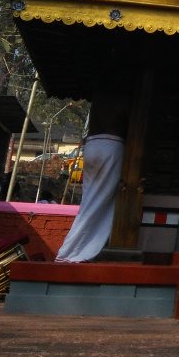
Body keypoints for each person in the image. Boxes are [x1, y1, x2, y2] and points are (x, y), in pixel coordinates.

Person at [54, 73, 130, 263]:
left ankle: (77, 250)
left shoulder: (99, 97)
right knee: (99, 202)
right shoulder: (124, 96)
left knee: (90, 200)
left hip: (92, 144)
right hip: (111, 145)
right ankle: (72, 252)